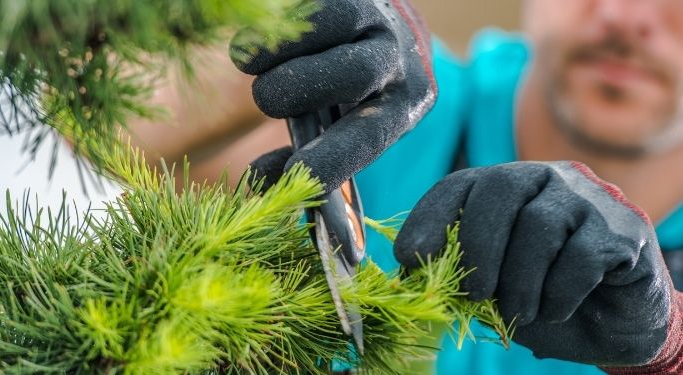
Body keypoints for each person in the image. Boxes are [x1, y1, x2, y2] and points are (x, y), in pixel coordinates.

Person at [132, 0, 683, 373]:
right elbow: (106, 121)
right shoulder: (383, 101)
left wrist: (668, 346)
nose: (622, 15)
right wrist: (288, 28)